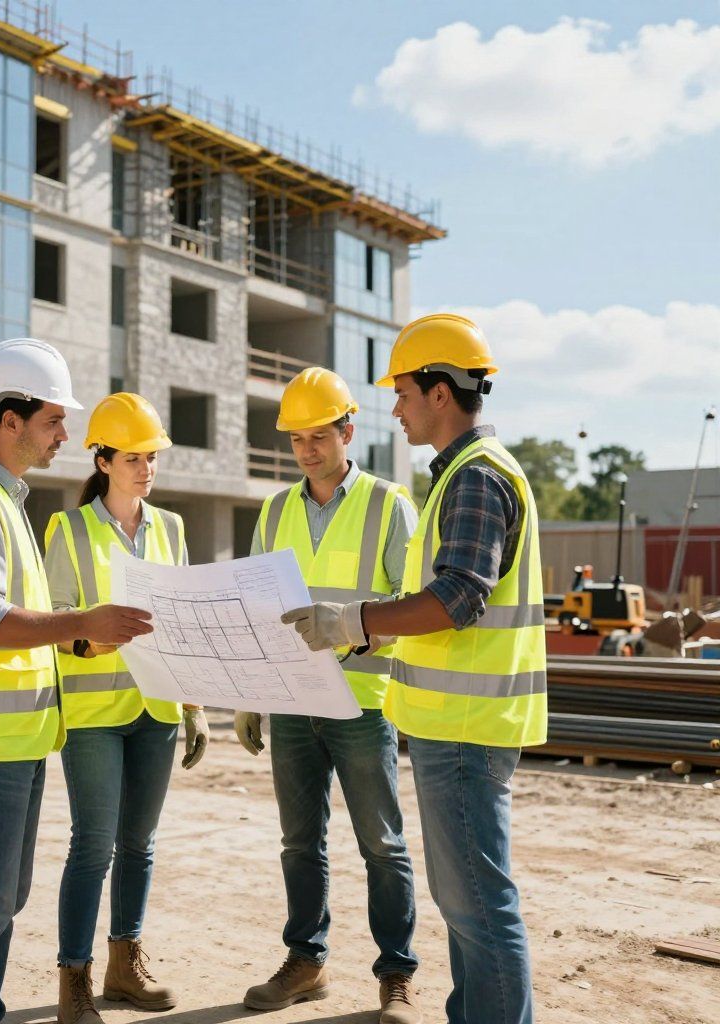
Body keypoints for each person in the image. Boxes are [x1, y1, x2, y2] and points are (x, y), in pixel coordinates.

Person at [282, 314, 547, 1024]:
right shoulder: (466, 474)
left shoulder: (474, 477)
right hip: (457, 721)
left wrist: (354, 621)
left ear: (438, 391)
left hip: (465, 725)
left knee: (478, 906)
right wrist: (367, 630)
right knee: (466, 903)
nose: (394, 409)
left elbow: (458, 596)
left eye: (402, 392)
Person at [0, 339, 154, 1024]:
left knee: (0, 902)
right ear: (8, 419)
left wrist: (80, 636)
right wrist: (82, 618)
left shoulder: (2, 500)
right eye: (52, 420)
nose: (64, 436)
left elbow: (12, 621)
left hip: (11, 736)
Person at [234, 367, 422, 1024]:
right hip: (290, 702)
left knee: (383, 844)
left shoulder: (389, 505)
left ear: (348, 430)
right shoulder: (277, 509)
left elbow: (413, 605)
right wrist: (251, 696)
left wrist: (351, 636)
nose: (309, 449)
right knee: (298, 841)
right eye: (297, 438)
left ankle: (397, 976)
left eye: (320, 434)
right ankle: (305, 960)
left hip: (361, 705)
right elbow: (260, 607)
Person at [44, 393, 210, 1024]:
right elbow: (54, 620)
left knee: (139, 843)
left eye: (152, 457)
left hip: (157, 710)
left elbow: (186, 621)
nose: (145, 468)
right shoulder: (69, 529)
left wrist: (194, 705)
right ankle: (74, 980)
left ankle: (123, 965)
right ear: (104, 459)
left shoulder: (170, 528)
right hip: (94, 713)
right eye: (134, 457)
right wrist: (89, 638)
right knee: (93, 844)